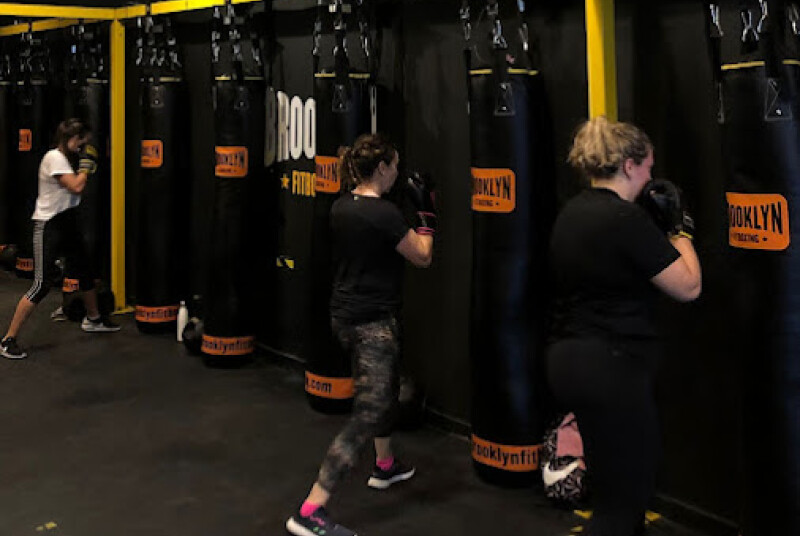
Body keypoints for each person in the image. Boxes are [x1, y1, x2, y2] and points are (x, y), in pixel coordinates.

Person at [546, 116, 701, 536]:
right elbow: (689, 286)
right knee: (624, 504)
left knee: (611, 492)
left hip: (570, 361)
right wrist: (679, 228)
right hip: (611, 370)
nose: (650, 176)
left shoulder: (572, 212)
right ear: (630, 165)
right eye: (648, 167)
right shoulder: (624, 220)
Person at [286, 133, 435, 536]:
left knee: (385, 390)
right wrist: (426, 213)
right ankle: (311, 510)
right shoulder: (384, 214)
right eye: (395, 166)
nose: (398, 173)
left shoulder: (342, 206)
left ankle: (384, 465)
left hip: (345, 316)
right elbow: (422, 256)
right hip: (372, 325)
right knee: (367, 413)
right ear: (382, 168)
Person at [0, 118, 120, 360]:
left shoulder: (67, 158)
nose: (83, 146)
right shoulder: (53, 158)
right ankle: (8, 340)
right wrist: (86, 167)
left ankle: (93, 319)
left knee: (85, 271)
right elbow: (76, 186)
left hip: (68, 221)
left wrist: (85, 164)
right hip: (49, 225)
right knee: (41, 284)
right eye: (81, 142)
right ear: (71, 139)